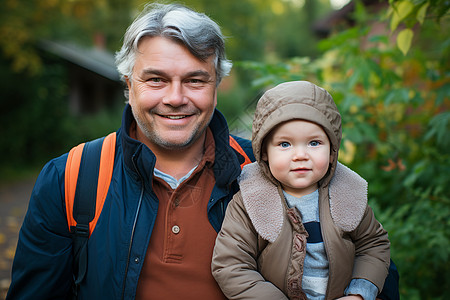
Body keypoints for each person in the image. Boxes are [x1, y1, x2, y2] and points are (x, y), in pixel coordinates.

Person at [6, 3, 253, 299]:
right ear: (129, 85)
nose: (175, 98)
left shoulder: (259, 170)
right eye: (156, 80)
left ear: (216, 85)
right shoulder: (70, 178)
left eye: (194, 80)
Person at [211, 81, 391, 300]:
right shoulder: (250, 201)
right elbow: (231, 265)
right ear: (264, 152)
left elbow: (373, 245)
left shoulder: (346, 193)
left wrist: (360, 293)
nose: (300, 155)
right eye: (285, 144)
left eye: (314, 143)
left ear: (332, 149)